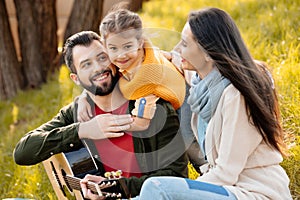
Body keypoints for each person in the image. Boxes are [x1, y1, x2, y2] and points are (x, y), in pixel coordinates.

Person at [136, 7, 292, 200]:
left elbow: (226, 173)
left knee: (157, 188)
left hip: (253, 192)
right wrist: (86, 100)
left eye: (184, 44)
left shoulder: (236, 95)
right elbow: (154, 62)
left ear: (208, 53)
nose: (177, 49)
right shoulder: (203, 83)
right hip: (226, 189)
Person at [13, 31, 188, 199]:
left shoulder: (151, 108)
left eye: (101, 57)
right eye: (86, 64)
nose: (98, 68)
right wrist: (82, 130)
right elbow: (23, 152)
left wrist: (115, 187)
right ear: (76, 79)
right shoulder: (76, 114)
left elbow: (175, 177)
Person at [98, 8, 186, 131]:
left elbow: (141, 124)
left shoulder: (147, 80)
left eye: (127, 47)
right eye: (113, 48)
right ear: (104, 46)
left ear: (140, 43)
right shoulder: (143, 53)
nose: (121, 55)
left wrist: (107, 127)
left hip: (184, 105)